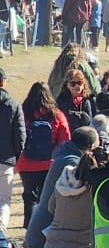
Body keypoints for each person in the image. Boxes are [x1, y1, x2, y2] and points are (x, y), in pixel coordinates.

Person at [16, 82, 72, 229]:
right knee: (46, 197)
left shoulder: (24, 114)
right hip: (49, 162)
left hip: (27, 163)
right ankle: (44, 227)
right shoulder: (56, 115)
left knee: (30, 196)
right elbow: (65, 140)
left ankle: (29, 227)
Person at [0, 68, 25, 230]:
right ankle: (1, 231)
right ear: (4, 82)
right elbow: (20, 136)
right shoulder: (14, 105)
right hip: (6, 160)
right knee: (3, 200)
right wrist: (18, 158)